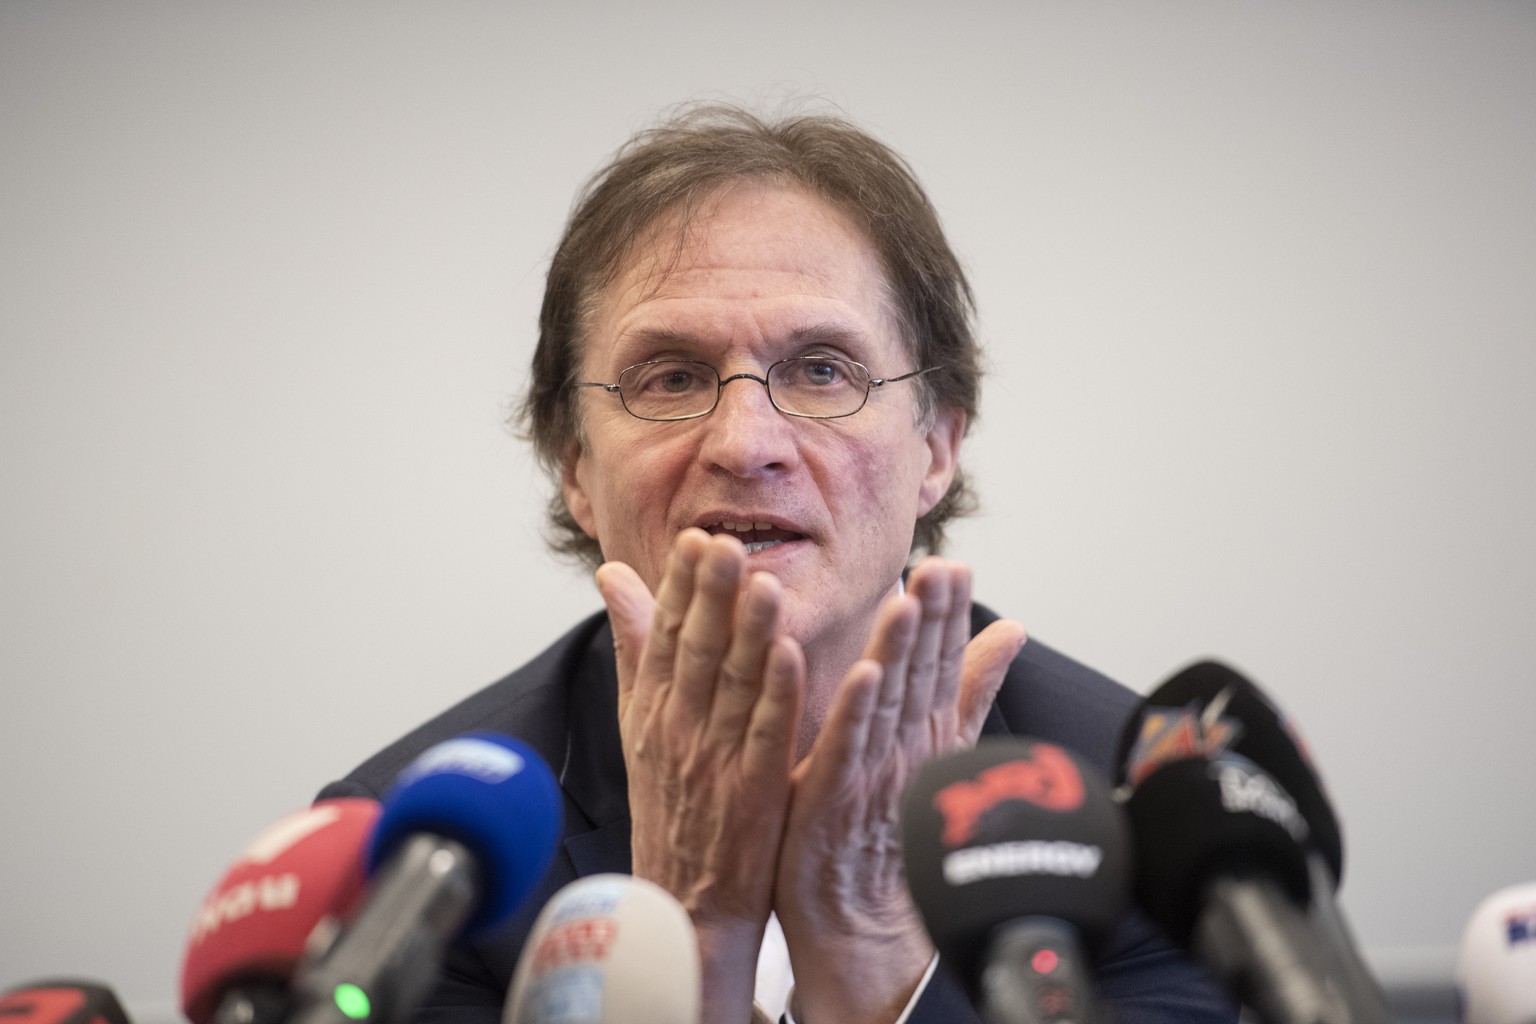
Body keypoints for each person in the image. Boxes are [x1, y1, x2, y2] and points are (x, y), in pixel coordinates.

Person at [319, 103, 1235, 1024]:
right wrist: (692, 936)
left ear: (937, 448)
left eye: (822, 369)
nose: (745, 444)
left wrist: (870, 949)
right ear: (575, 469)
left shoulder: (1164, 824)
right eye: (672, 378)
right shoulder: (414, 868)